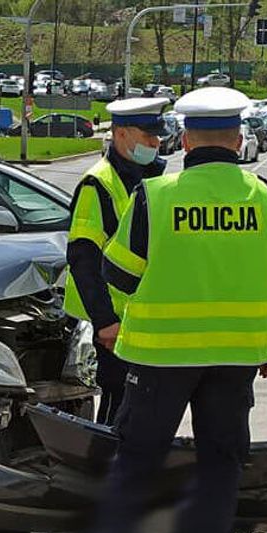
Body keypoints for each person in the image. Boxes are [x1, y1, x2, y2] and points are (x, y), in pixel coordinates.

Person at [91, 87, 267, 533]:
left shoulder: (155, 196)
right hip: (235, 360)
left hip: (160, 356)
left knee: (137, 460)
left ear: (185, 141)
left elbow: (117, 273)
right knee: (220, 466)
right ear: (237, 139)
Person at [63, 97, 170, 425]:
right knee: (117, 412)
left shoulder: (151, 180)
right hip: (114, 325)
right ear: (121, 134)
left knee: (142, 413)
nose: (155, 143)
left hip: (141, 322)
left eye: (157, 136)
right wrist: (104, 321)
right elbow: (83, 258)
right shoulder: (99, 183)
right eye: (148, 135)